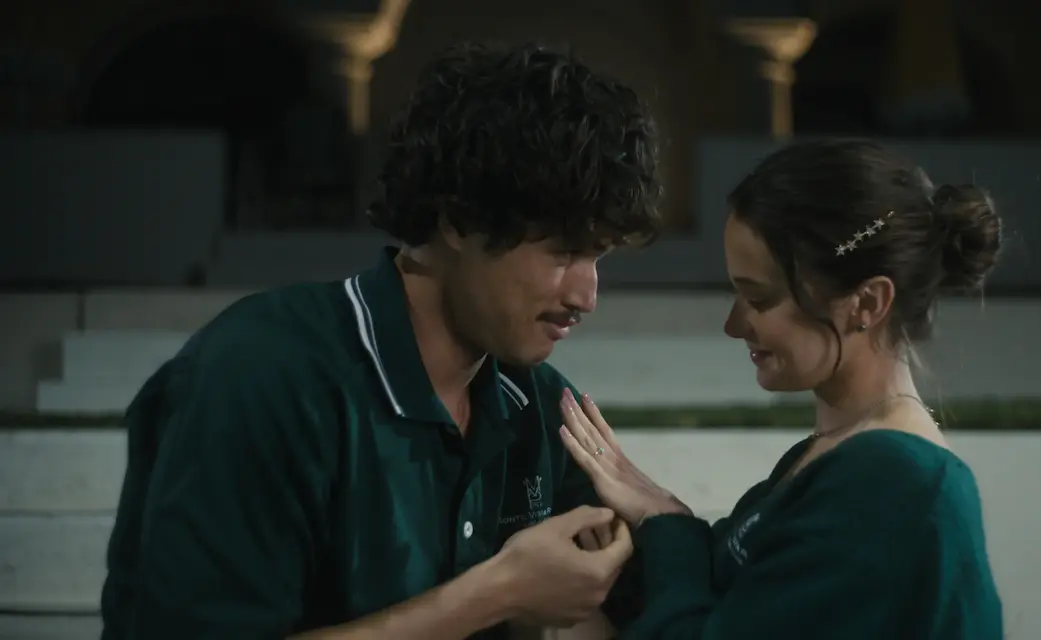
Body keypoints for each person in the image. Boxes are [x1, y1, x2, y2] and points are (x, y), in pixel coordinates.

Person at [100, 42, 662, 640]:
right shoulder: (261, 378)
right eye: (565, 252)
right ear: (460, 219)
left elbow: (645, 610)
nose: (586, 296)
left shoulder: (535, 406)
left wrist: (661, 518)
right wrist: (495, 594)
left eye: (599, 257)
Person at [558, 139, 1005, 638]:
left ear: (867, 303)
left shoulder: (897, 486)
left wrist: (668, 525)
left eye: (760, 299)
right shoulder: (837, 456)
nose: (733, 325)